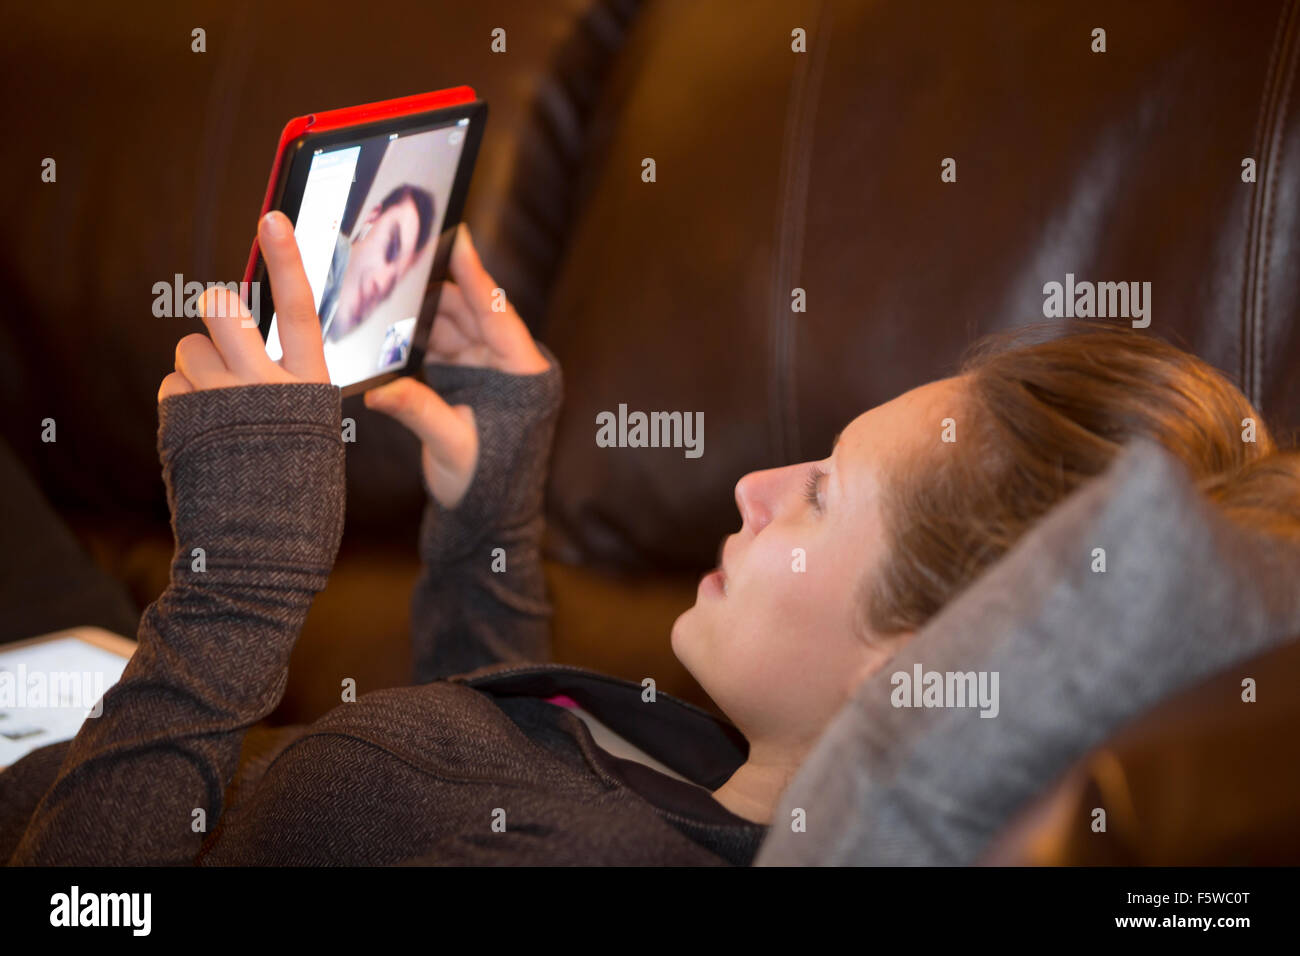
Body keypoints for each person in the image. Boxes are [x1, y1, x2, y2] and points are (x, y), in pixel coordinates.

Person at [2, 211, 1297, 865]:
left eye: (826, 495)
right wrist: (487, 526)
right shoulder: (719, 775)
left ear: (908, 667)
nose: (754, 488)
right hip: (111, 713)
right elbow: (470, 783)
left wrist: (235, 586)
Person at [318, 183, 436, 342]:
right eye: (391, 248)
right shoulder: (317, 255)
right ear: (372, 218)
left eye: (391, 285)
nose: (381, 284)